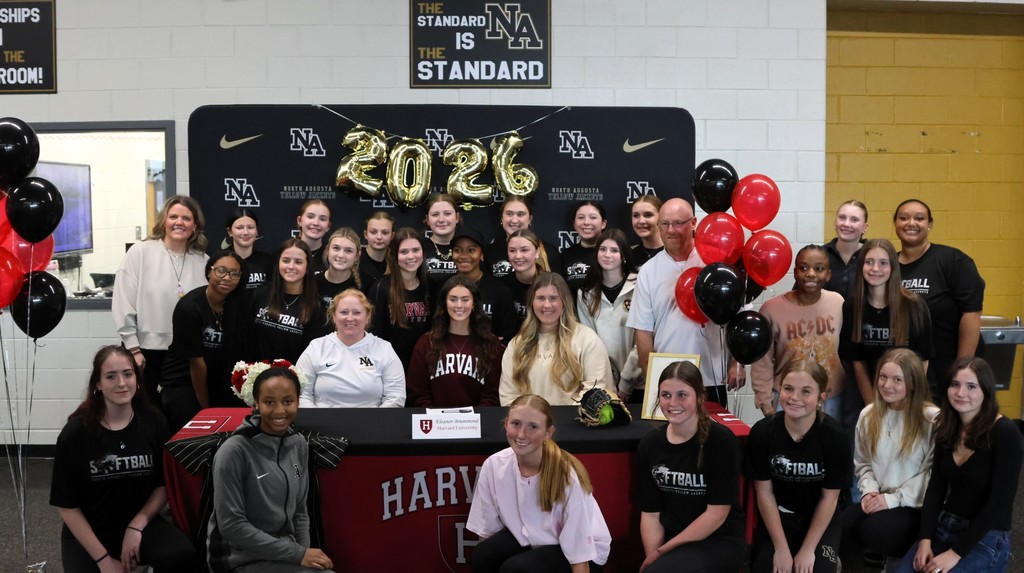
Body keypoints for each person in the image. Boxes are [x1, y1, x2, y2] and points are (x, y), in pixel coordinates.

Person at [50, 345, 196, 573]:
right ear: (97, 383)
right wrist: (104, 561)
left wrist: (136, 526)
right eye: (111, 376)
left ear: (137, 380)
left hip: (141, 522)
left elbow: (162, 485)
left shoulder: (154, 421)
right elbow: (68, 507)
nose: (121, 383)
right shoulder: (75, 434)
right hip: (90, 531)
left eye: (128, 374)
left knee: (182, 555)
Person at [894, 357, 1023, 573]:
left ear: (986, 391)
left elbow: (999, 505)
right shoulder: (947, 426)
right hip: (945, 525)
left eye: (971, 386)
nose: (961, 393)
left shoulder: (1005, 433)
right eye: (955, 384)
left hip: (986, 536)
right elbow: (935, 488)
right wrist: (924, 539)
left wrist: (955, 554)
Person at [207, 366, 335, 572]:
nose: (279, 411)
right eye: (269, 402)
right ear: (256, 403)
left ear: (298, 401)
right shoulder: (234, 451)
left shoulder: (299, 444)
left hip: (283, 552)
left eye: (287, 401)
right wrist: (298, 555)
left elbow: (300, 513)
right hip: (239, 559)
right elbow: (232, 526)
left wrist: (301, 555)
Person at [466, 394, 611, 573]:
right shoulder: (494, 465)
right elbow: (486, 533)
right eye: (516, 424)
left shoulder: (566, 476)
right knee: (483, 554)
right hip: (532, 538)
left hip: (585, 554)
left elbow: (579, 556)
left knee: (517, 569)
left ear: (547, 433)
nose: (521, 434)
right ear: (506, 425)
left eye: (532, 427)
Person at [627, 198, 744, 408]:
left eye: (678, 223)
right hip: (669, 382)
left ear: (693, 223)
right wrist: (653, 379)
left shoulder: (715, 263)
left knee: (712, 439)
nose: (671, 230)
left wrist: (737, 362)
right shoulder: (648, 271)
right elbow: (643, 333)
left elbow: (739, 318)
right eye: (664, 224)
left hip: (713, 378)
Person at [635, 361, 746, 573]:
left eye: (682, 395)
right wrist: (653, 558)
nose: (672, 402)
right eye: (666, 395)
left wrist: (661, 554)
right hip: (674, 539)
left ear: (700, 397)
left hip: (718, 539)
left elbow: (717, 514)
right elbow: (650, 515)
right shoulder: (650, 444)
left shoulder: (721, 441)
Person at [746, 359, 851, 573]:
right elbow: (764, 494)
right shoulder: (762, 433)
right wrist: (781, 548)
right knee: (766, 567)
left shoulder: (835, 437)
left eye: (805, 391)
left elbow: (829, 498)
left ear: (821, 398)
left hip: (820, 519)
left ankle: (831, 559)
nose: (795, 398)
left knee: (816, 568)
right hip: (780, 517)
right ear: (780, 390)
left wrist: (808, 550)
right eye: (788, 389)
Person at [841, 348, 939, 569]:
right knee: (840, 525)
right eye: (883, 377)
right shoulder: (869, 415)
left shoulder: (932, 420)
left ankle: (897, 561)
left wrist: (892, 500)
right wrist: (869, 491)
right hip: (880, 496)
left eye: (897, 380)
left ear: (913, 383)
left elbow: (933, 476)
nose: (887, 385)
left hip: (914, 505)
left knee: (874, 531)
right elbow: (863, 463)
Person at [113, 195, 210, 405]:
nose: (179, 222)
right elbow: (123, 301)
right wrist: (133, 349)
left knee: (181, 413)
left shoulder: (203, 261)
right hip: (145, 353)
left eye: (186, 218)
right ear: (163, 221)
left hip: (187, 356)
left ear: (195, 225)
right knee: (147, 414)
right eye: (173, 216)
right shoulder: (141, 252)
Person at [894, 199, 985, 399]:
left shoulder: (952, 260)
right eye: (904, 218)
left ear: (930, 224)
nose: (911, 223)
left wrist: (962, 369)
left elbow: (972, 313)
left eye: (919, 218)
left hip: (948, 365)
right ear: (895, 224)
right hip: (908, 370)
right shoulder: (888, 266)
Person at [751, 245, 845, 419]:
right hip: (788, 399)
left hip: (831, 399)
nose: (810, 274)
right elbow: (761, 361)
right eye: (803, 268)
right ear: (795, 273)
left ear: (828, 274)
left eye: (819, 269)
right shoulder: (772, 309)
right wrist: (765, 402)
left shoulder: (838, 303)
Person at [839, 239, 933, 410]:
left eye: (883, 263)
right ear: (861, 266)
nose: (875, 269)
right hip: (866, 397)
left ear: (893, 268)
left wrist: (905, 402)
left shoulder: (914, 306)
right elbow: (858, 362)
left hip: (906, 399)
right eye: (869, 262)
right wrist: (873, 407)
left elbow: (923, 360)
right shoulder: (852, 306)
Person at [161, 251, 248, 431]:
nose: (226, 277)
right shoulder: (190, 307)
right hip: (184, 380)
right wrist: (207, 410)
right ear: (209, 272)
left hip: (215, 379)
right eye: (220, 271)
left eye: (234, 273)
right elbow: (196, 364)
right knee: (196, 430)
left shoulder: (236, 305)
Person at [499, 273, 613, 406]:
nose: (547, 305)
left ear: (564, 302)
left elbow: (595, 390)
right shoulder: (517, 344)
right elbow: (508, 396)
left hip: (575, 423)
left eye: (553, 298)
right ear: (531, 303)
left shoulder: (587, 339)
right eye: (540, 298)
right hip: (530, 424)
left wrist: (567, 420)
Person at [405, 275, 502, 408]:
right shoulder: (426, 343)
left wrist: (472, 420)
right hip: (436, 423)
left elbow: (492, 394)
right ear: (445, 303)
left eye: (465, 300)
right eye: (453, 299)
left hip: (475, 424)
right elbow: (417, 392)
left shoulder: (491, 344)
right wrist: (438, 420)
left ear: (474, 303)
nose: (459, 305)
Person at [297, 289, 405, 408]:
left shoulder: (384, 349)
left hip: (372, 424)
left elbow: (395, 396)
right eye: (344, 312)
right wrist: (319, 422)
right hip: (322, 424)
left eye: (357, 312)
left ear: (368, 316)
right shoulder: (316, 348)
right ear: (334, 316)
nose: (350, 318)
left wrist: (375, 424)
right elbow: (302, 394)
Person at [576, 229, 642, 402]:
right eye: (603, 249)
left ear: (624, 255)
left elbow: (643, 340)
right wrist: (608, 380)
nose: (607, 255)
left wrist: (626, 383)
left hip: (639, 381)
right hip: (604, 383)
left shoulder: (640, 286)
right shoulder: (585, 293)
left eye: (614, 250)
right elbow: (590, 342)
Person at [250, 239, 327, 364]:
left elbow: (313, 355)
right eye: (286, 260)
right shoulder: (260, 294)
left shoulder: (316, 307)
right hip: (257, 377)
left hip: (293, 379)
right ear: (278, 263)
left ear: (307, 267)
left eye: (298, 262)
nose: (291, 266)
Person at [368, 227, 432, 370]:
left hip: (422, 367)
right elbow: (373, 334)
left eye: (416, 250)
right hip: (389, 367)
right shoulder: (381, 288)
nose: (411, 256)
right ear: (395, 255)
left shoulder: (430, 286)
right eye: (404, 252)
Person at [450, 225, 518, 340]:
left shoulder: (499, 290)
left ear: (482, 254)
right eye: (457, 250)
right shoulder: (444, 287)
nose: (463, 256)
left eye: (471, 250)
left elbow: (507, 335)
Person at [484, 195, 561, 279]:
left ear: (530, 219)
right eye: (509, 214)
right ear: (502, 218)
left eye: (520, 214)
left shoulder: (549, 252)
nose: (514, 220)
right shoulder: (490, 252)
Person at [501, 228, 551, 331]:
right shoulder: (501, 285)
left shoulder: (551, 284)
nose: (518, 256)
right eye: (512, 251)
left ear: (537, 252)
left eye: (524, 250)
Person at [314, 227, 370, 309]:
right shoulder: (312, 283)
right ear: (327, 250)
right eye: (336, 248)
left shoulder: (367, 285)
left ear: (357, 256)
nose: (341, 255)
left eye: (348, 251)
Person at [560, 201, 607, 297]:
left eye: (593, 217)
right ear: (574, 224)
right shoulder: (566, 255)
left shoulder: (613, 254)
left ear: (603, 224)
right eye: (581, 217)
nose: (586, 222)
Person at [823, 200, 868, 298]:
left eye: (854, 220)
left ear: (865, 227)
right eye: (842, 218)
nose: (847, 224)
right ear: (835, 222)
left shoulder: (873, 256)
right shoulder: (820, 255)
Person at [225, 208, 272, 290]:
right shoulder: (221, 260)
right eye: (239, 228)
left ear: (257, 231)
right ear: (230, 232)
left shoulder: (268, 261)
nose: (246, 232)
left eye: (250, 227)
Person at [422, 193, 460, 287]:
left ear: (457, 217)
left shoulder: (468, 248)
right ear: (427, 220)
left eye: (447, 214)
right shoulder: (419, 247)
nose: (441, 219)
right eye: (435, 214)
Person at [295, 199, 332, 274]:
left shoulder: (332, 256)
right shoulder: (285, 252)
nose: (316, 223)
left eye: (322, 219)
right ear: (299, 221)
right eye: (310, 217)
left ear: (328, 226)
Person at [360, 211, 393, 285]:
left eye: (385, 233)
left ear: (392, 236)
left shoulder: (397, 263)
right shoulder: (355, 261)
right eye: (373, 232)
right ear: (365, 234)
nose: (379, 237)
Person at [630, 195, 664, 268]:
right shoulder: (629, 256)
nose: (641, 221)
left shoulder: (673, 254)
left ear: (661, 217)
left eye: (648, 215)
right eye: (636, 216)